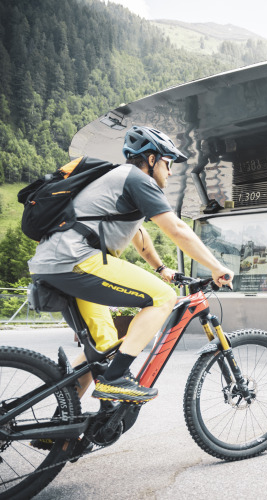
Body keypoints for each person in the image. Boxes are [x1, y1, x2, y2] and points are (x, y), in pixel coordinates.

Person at [28, 125, 234, 405]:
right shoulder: (137, 179)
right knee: (163, 297)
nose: (170, 171)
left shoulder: (118, 181)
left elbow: (139, 235)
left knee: (101, 347)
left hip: (54, 263)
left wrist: (161, 269)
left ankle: (64, 419)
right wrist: (217, 267)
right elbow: (177, 229)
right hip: (76, 259)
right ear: (151, 159)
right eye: (168, 163)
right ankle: (114, 379)